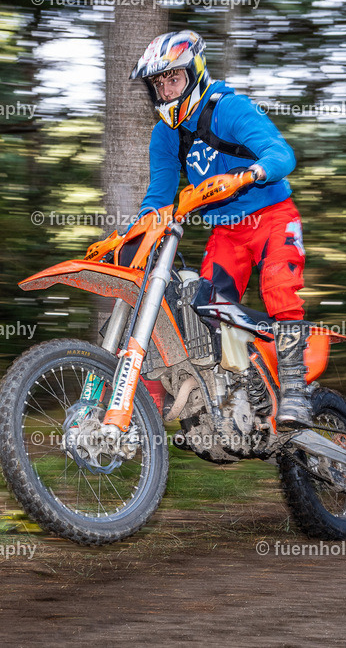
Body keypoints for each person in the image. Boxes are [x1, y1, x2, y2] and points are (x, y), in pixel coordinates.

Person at [129, 30, 311, 427]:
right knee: (205, 307)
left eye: (173, 78)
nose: (166, 90)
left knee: (278, 287)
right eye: (158, 83)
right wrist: (134, 233)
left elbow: (282, 154)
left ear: (193, 73)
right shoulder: (165, 134)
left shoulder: (229, 108)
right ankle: (241, 385)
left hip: (272, 216)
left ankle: (296, 390)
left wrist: (251, 173)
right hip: (227, 232)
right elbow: (158, 197)